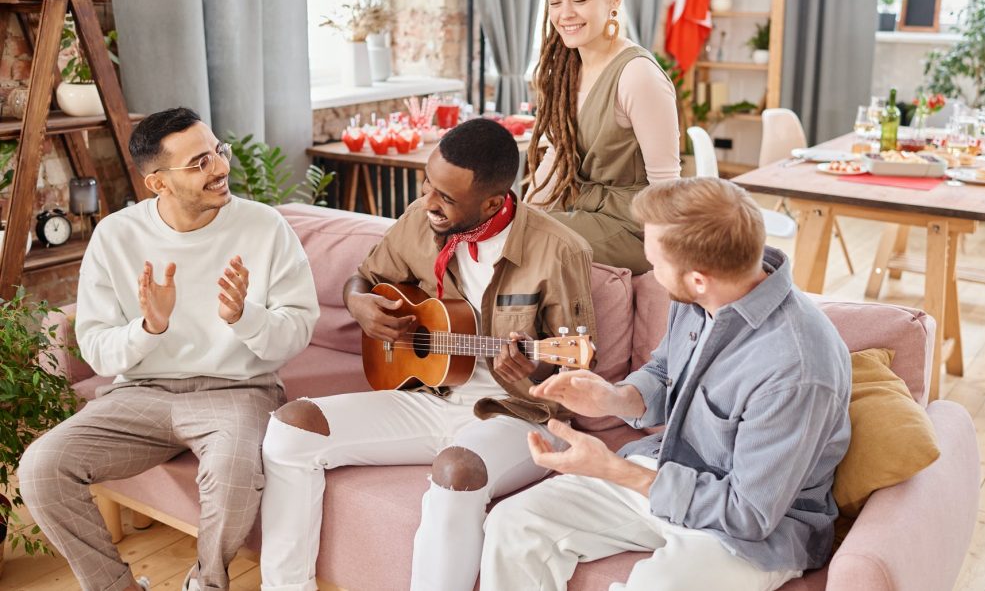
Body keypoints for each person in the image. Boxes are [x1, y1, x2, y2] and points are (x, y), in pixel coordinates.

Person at [258, 118, 597, 591]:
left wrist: (534, 366)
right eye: (427, 185)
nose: (428, 203)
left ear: (493, 202)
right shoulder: (422, 219)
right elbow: (365, 277)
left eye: (446, 197)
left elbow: (577, 367)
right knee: (291, 428)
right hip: (425, 393)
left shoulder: (559, 251)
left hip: (517, 413)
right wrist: (359, 304)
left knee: (456, 470)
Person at [481, 177, 853, 591]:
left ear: (698, 278)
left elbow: (748, 512)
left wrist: (613, 468)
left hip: (753, 532)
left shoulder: (795, 369)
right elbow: (665, 370)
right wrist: (615, 398)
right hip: (670, 468)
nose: (653, 276)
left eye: (655, 264)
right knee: (514, 526)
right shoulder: (702, 298)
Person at [18, 107, 320, 591]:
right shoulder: (116, 236)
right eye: (199, 162)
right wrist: (148, 328)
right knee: (40, 467)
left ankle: (205, 583)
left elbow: (297, 331)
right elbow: (97, 348)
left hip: (239, 391)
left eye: (217, 151)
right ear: (158, 183)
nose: (221, 168)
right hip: (141, 392)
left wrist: (244, 315)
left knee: (235, 471)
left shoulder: (265, 228)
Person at [527, 0, 681, 275]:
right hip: (586, 210)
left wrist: (665, 258)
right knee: (502, 229)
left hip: (635, 226)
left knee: (531, 241)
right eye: (555, 1)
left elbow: (667, 182)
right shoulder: (566, 69)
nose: (565, 13)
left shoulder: (637, 76)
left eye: (579, 0)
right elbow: (556, 153)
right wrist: (525, 212)